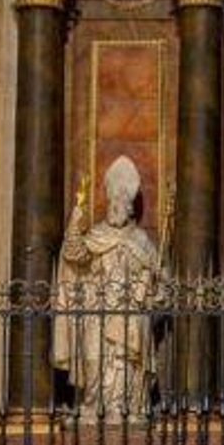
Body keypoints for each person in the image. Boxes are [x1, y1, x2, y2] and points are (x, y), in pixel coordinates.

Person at [52, 157, 162, 413]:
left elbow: (159, 278)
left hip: (130, 316)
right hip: (97, 314)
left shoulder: (141, 240)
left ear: (130, 209)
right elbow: (74, 254)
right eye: (113, 201)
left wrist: (149, 284)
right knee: (94, 360)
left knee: (125, 367)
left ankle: (129, 407)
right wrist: (74, 225)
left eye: (122, 202)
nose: (117, 206)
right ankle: (93, 406)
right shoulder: (97, 235)